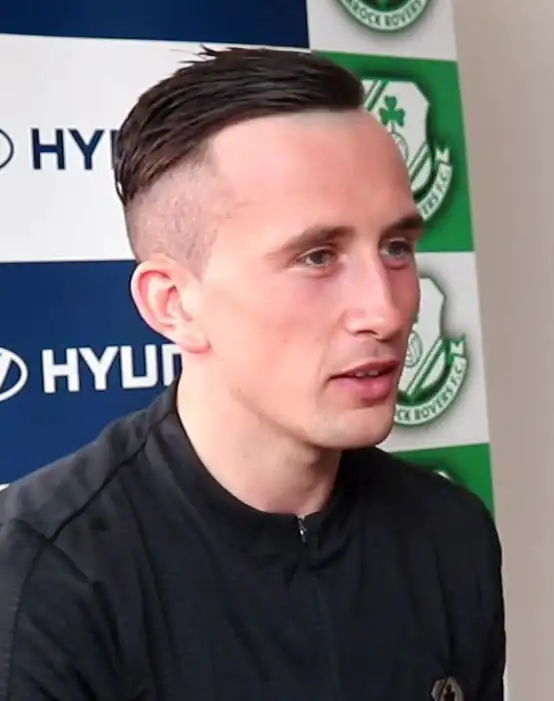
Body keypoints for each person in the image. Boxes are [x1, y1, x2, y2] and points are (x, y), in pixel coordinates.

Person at [0, 46, 505, 700]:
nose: (385, 311)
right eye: (318, 256)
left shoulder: (450, 534)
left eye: (396, 247)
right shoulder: (39, 579)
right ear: (174, 304)